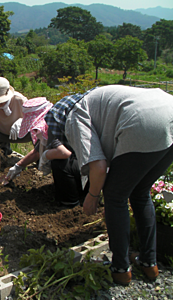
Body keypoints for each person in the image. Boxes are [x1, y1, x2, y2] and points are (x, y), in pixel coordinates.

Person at [38, 85, 173, 286]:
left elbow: (99, 167)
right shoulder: (94, 100)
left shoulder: (74, 116)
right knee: (140, 192)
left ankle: (120, 269)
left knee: (114, 196)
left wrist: (92, 197)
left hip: (143, 123)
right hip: (168, 112)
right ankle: (149, 263)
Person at [5, 97, 85, 208]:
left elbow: (64, 153)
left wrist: (46, 155)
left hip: (86, 167)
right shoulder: (55, 120)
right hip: (85, 165)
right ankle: (76, 191)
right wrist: (18, 166)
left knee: (59, 163)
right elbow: (37, 151)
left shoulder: (50, 126)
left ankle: (70, 203)